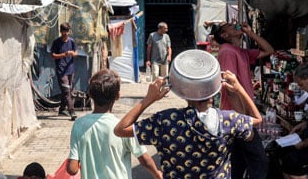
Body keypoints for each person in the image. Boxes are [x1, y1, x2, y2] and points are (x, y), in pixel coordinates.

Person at [113, 52, 263, 178]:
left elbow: (120, 129)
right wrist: (238, 88)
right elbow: (257, 119)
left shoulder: (165, 121)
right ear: (213, 93)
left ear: (182, 93)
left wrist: (148, 99)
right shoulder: (228, 120)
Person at [67, 69, 162, 179]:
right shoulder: (122, 127)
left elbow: (72, 169)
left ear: (90, 94)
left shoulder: (79, 125)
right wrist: (157, 174)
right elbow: (144, 159)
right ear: (117, 96)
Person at [211, 20, 275, 179]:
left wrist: (250, 33)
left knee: (238, 162)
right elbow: (229, 86)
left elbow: (269, 50)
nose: (235, 24)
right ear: (224, 34)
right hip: (238, 116)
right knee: (259, 160)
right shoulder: (227, 51)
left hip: (239, 117)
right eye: (230, 26)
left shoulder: (240, 51)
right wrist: (242, 121)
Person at [51, 22, 78, 121]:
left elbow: (76, 53)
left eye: (67, 31)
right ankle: (72, 112)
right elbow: (53, 55)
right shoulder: (56, 42)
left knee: (67, 91)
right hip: (61, 70)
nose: (65, 33)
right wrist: (64, 54)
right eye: (63, 31)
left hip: (70, 69)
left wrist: (72, 54)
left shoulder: (72, 41)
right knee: (67, 91)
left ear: (69, 31)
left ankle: (62, 109)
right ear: (60, 31)